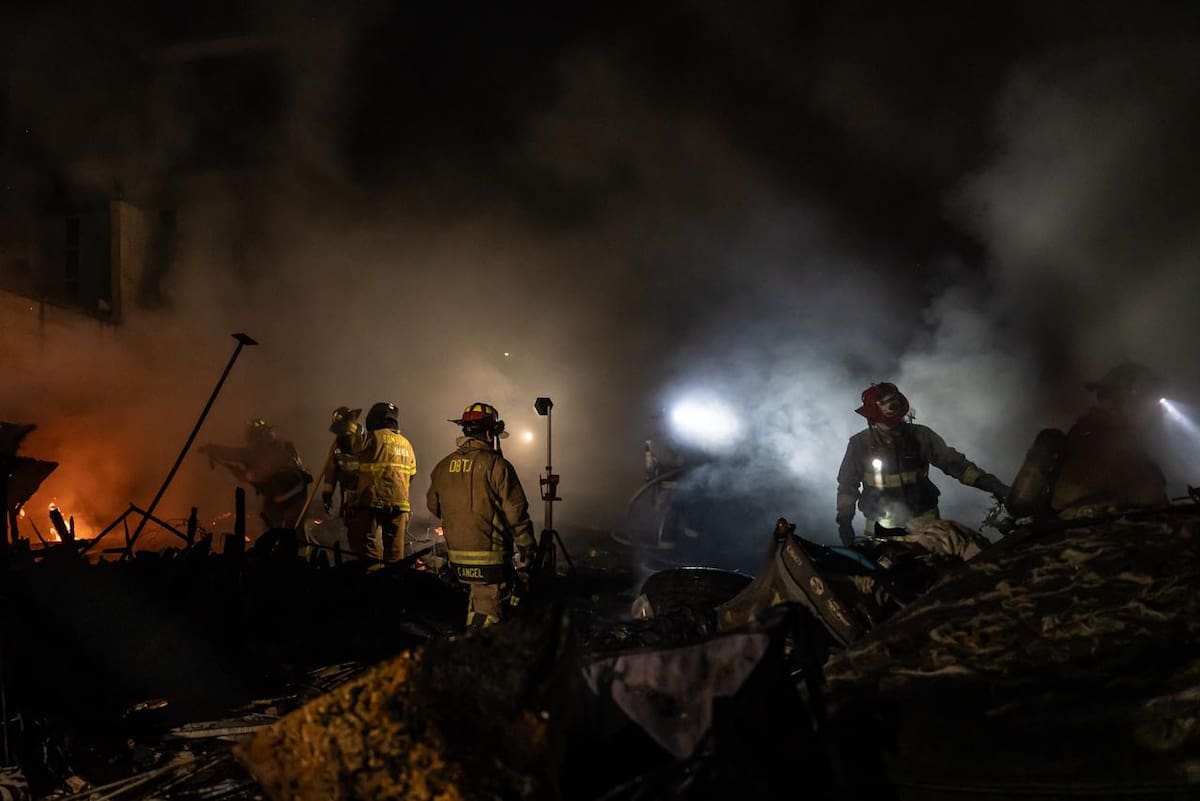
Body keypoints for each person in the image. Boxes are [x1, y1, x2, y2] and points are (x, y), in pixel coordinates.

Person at [835, 383, 1010, 546]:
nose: (894, 426)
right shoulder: (859, 444)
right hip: (880, 523)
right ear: (872, 418)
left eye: (897, 418)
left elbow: (955, 464)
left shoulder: (921, 436)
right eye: (888, 420)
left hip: (923, 517)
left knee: (935, 564)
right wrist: (844, 521)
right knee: (888, 568)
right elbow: (847, 486)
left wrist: (991, 484)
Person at [426, 402, 536, 627]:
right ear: (490, 432)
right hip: (490, 562)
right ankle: (481, 653)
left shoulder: (442, 466)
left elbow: (433, 506)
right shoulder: (498, 466)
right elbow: (516, 513)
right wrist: (527, 548)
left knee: (477, 604)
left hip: (456, 559)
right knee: (489, 616)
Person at [1046, 362, 1168, 519]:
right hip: (1089, 534)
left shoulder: (1083, 432)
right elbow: (1151, 495)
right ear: (1127, 399)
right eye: (1146, 400)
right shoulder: (1113, 439)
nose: (1149, 410)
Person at [328, 402, 417, 563]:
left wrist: (349, 426)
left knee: (369, 551)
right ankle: (395, 584)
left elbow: (350, 445)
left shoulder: (373, 437)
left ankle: (372, 583)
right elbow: (411, 475)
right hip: (400, 505)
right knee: (396, 554)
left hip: (372, 502)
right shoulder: (407, 444)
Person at [199, 419, 312, 530]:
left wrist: (247, 475)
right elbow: (235, 455)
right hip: (289, 493)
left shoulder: (275, 450)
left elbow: (260, 468)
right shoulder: (280, 447)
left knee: (284, 532)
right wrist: (212, 449)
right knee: (283, 531)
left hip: (288, 494)